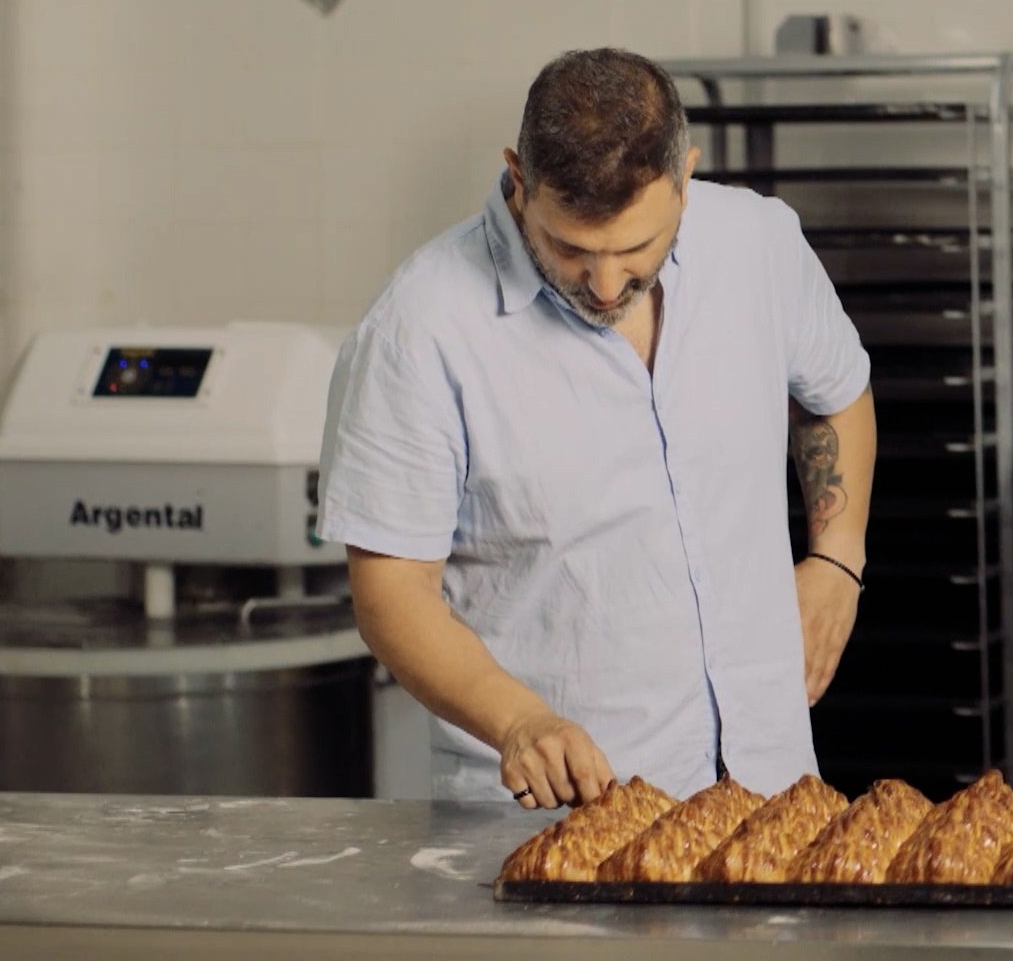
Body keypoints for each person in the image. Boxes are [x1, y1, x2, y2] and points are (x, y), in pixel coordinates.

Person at [316, 47, 875, 807]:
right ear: (519, 178)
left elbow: (834, 389)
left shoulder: (759, 245)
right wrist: (518, 721)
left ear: (686, 176)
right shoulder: (420, 328)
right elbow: (391, 594)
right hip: (553, 828)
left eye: (637, 249)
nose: (607, 285)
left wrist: (837, 559)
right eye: (569, 248)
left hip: (770, 800)